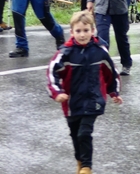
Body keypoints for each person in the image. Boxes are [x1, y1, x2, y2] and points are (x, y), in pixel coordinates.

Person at [47, 10, 122, 174]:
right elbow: (52, 72)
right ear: (72, 32)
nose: (82, 35)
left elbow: (111, 72)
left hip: (94, 100)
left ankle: (87, 167)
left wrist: (114, 92)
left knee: (84, 133)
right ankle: (80, 161)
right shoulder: (65, 53)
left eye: (86, 30)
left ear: (93, 31)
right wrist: (57, 92)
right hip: (72, 102)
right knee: (75, 134)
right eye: (78, 31)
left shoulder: (100, 51)